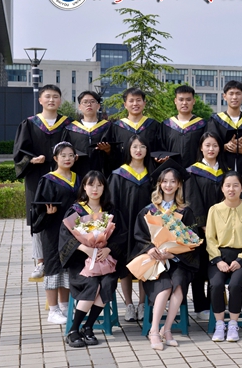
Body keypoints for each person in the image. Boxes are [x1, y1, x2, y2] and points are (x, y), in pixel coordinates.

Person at [132, 164, 198, 351]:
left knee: (178, 285)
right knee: (165, 286)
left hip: (178, 262)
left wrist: (173, 253)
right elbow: (139, 236)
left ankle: (166, 329)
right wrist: (150, 249)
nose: (168, 185)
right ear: (159, 184)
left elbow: (192, 240)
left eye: (173, 182)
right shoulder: (149, 210)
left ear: (178, 185)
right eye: (165, 181)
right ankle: (154, 331)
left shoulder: (185, 211)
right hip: (154, 262)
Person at [59, 171, 126, 348]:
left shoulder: (111, 211)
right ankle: (74, 330)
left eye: (99, 185)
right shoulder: (75, 211)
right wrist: (85, 249)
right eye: (91, 184)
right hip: (81, 263)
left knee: (107, 282)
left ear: (104, 188)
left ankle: (88, 326)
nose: (95, 189)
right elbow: (66, 237)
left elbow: (121, 236)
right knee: (92, 284)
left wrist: (108, 249)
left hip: (106, 262)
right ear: (84, 187)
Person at [13, 84, 72, 279]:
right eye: (47, 96)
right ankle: (40, 262)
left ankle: (65, 258)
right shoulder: (30, 123)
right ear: (40, 100)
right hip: (37, 177)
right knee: (38, 216)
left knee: (65, 215)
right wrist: (30, 160)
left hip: (63, 178)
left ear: (60, 100)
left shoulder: (68, 124)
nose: (51, 100)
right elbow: (19, 152)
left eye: (55, 96)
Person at [205, 172, 242, 343]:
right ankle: (220, 324)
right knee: (216, 284)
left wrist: (241, 260)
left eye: (236, 185)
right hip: (219, 256)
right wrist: (218, 260)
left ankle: (234, 324)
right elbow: (210, 239)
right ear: (222, 188)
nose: (231, 189)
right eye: (227, 185)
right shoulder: (214, 210)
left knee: (235, 285)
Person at [31, 141, 80, 324]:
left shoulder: (77, 178)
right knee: (53, 268)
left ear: (75, 158)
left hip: (71, 230)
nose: (67, 159)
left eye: (70, 155)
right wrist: (47, 212)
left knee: (66, 267)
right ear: (55, 158)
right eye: (63, 155)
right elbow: (38, 207)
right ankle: (53, 310)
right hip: (52, 229)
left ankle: (65, 307)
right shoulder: (48, 179)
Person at [108, 135, 153, 322]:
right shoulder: (119, 175)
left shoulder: (152, 174)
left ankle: (142, 304)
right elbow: (112, 204)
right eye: (135, 146)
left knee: (144, 263)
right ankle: (128, 304)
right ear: (128, 149)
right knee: (125, 265)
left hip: (146, 227)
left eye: (142, 146)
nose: (138, 150)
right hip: (125, 226)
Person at [184, 132, 225, 321]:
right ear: (201, 147)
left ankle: (216, 304)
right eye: (207, 145)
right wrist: (203, 226)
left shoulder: (225, 171)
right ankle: (201, 306)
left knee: (217, 265)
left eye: (215, 145)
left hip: (223, 228)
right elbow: (192, 201)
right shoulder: (192, 172)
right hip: (201, 229)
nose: (211, 149)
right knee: (200, 266)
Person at [207, 80, 242, 174]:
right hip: (221, 167)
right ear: (224, 96)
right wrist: (226, 146)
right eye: (231, 94)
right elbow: (208, 143)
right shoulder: (215, 120)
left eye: (238, 94)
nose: (234, 97)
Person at [62, 91, 113, 177]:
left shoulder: (108, 127)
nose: (89, 104)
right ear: (79, 107)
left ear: (98, 106)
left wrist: (108, 150)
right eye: (85, 102)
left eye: (92, 101)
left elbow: (117, 154)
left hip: (102, 174)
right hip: (77, 173)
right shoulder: (71, 128)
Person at [161, 85, 208, 169]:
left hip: (196, 171)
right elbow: (161, 148)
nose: (184, 103)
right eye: (181, 99)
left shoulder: (202, 125)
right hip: (172, 171)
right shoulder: (166, 125)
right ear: (175, 101)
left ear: (194, 101)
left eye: (188, 99)